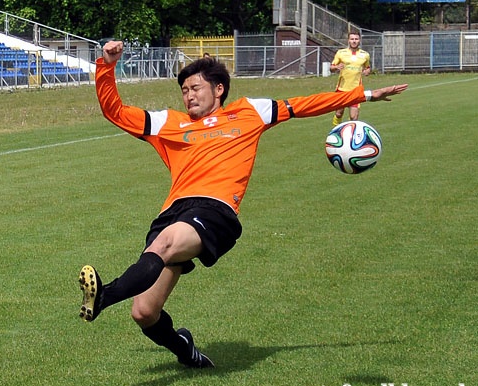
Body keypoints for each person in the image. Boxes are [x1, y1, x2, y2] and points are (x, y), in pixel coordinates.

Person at [78, 40, 407, 368]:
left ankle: (104, 296)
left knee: (165, 244)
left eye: (195, 87)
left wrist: (363, 95)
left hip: (214, 211)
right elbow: (115, 111)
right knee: (144, 312)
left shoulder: (249, 112)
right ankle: (186, 352)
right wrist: (107, 65)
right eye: (184, 91)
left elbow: (302, 104)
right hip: (172, 212)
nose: (188, 95)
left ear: (218, 89)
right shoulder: (169, 123)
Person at [329, 29, 371, 126]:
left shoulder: (365, 55)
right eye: (352, 39)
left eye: (356, 39)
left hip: (356, 90)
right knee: (339, 113)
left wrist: (367, 71)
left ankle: (350, 135)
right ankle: (336, 131)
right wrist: (336, 67)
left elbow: (367, 68)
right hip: (342, 89)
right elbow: (331, 68)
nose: (354, 41)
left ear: (359, 40)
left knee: (354, 117)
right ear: (348, 40)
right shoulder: (341, 53)